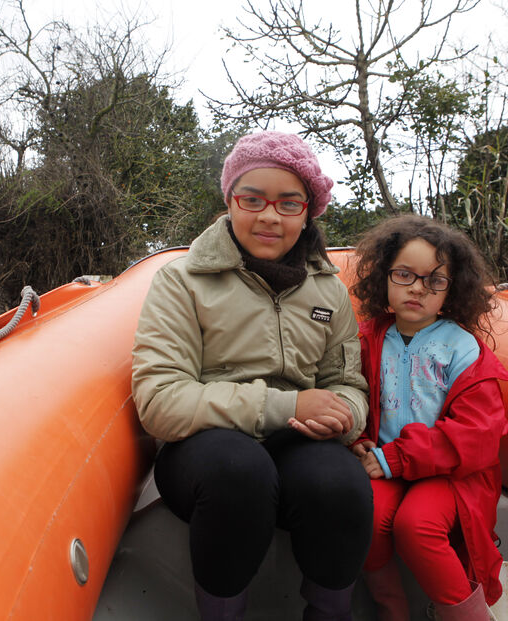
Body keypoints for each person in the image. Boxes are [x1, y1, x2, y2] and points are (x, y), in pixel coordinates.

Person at [132, 130, 374, 621]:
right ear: (229, 201)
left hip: (296, 446)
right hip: (205, 451)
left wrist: (346, 414)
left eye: (288, 203)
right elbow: (160, 400)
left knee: (343, 483)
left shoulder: (328, 293)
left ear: (308, 211)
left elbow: (348, 382)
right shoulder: (182, 282)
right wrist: (285, 406)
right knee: (239, 471)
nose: (269, 216)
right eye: (253, 199)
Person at [341, 214, 508, 621]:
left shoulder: (463, 349)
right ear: (384, 277)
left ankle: (468, 617)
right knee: (365, 515)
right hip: (384, 464)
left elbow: (478, 434)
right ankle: (392, 611)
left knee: (417, 526)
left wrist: (392, 459)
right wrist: (356, 437)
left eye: (435, 280)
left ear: (451, 290)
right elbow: (350, 393)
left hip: (451, 474)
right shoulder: (368, 338)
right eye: (404, 274)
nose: (417, 287)